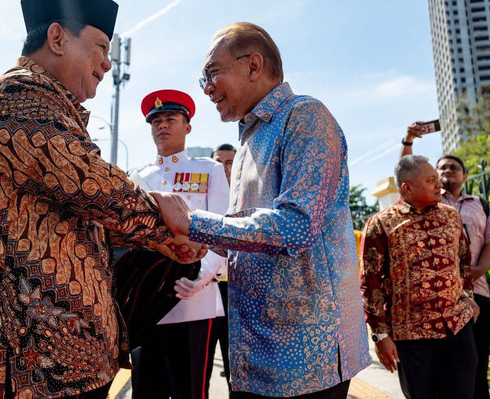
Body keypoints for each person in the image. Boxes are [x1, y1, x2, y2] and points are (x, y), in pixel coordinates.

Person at [0, 0, 205, 399]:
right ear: (57, 38)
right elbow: (92, 186)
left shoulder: (55, 107)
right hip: (5, 358)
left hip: (50, 360)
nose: (106, 63)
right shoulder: (21, 95)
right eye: (101, 47)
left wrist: (166, 241)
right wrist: (169, 223)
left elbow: (79, 214)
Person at [150, 22, 370, 398]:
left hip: (306, 356)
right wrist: (195, 246)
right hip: (257, 353)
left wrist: (192, 221)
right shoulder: (252, 136)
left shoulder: (305, 116)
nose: (206, 88)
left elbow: (294, 227)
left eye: (212, 73)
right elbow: (243, 228)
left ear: (254, 65)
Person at [128, 89, 230, 399]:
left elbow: (223, 231)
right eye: (156, 121)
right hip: (146, 305)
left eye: (171, 119)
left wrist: (202, 275)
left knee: (190, 391)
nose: (162, 126)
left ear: (187, 126)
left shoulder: (208, 170)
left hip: (192, 301)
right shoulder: (136, 176)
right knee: (146, 390)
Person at [361, 155, 480, 398]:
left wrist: (467, 296)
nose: (440, 185)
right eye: (431, 180)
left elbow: (463, 260)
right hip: (411, 335)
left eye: (438, 180)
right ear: (407, 187)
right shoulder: (381, 224)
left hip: (457, 327)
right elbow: (370, 283)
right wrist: (381, 335)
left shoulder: (450, 216)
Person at [401, 122, 490, 398]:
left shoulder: (480, 203)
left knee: (475, 366)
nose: (448, 171)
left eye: (454, 167)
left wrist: (477, 271)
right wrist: (410, 139)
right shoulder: (430, 202)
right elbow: (406, 172)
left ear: (465, 175)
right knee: (444, 372)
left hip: (480, 293)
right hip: (441, 300)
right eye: (442, 168)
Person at [210, 143, 236, 388]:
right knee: (200, 365)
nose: (224, 168)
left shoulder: (246, 198)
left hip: (237, 293)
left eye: (230, 162)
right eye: (219, 162)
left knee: (235, 369)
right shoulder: (200, 197)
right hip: (206, 288)